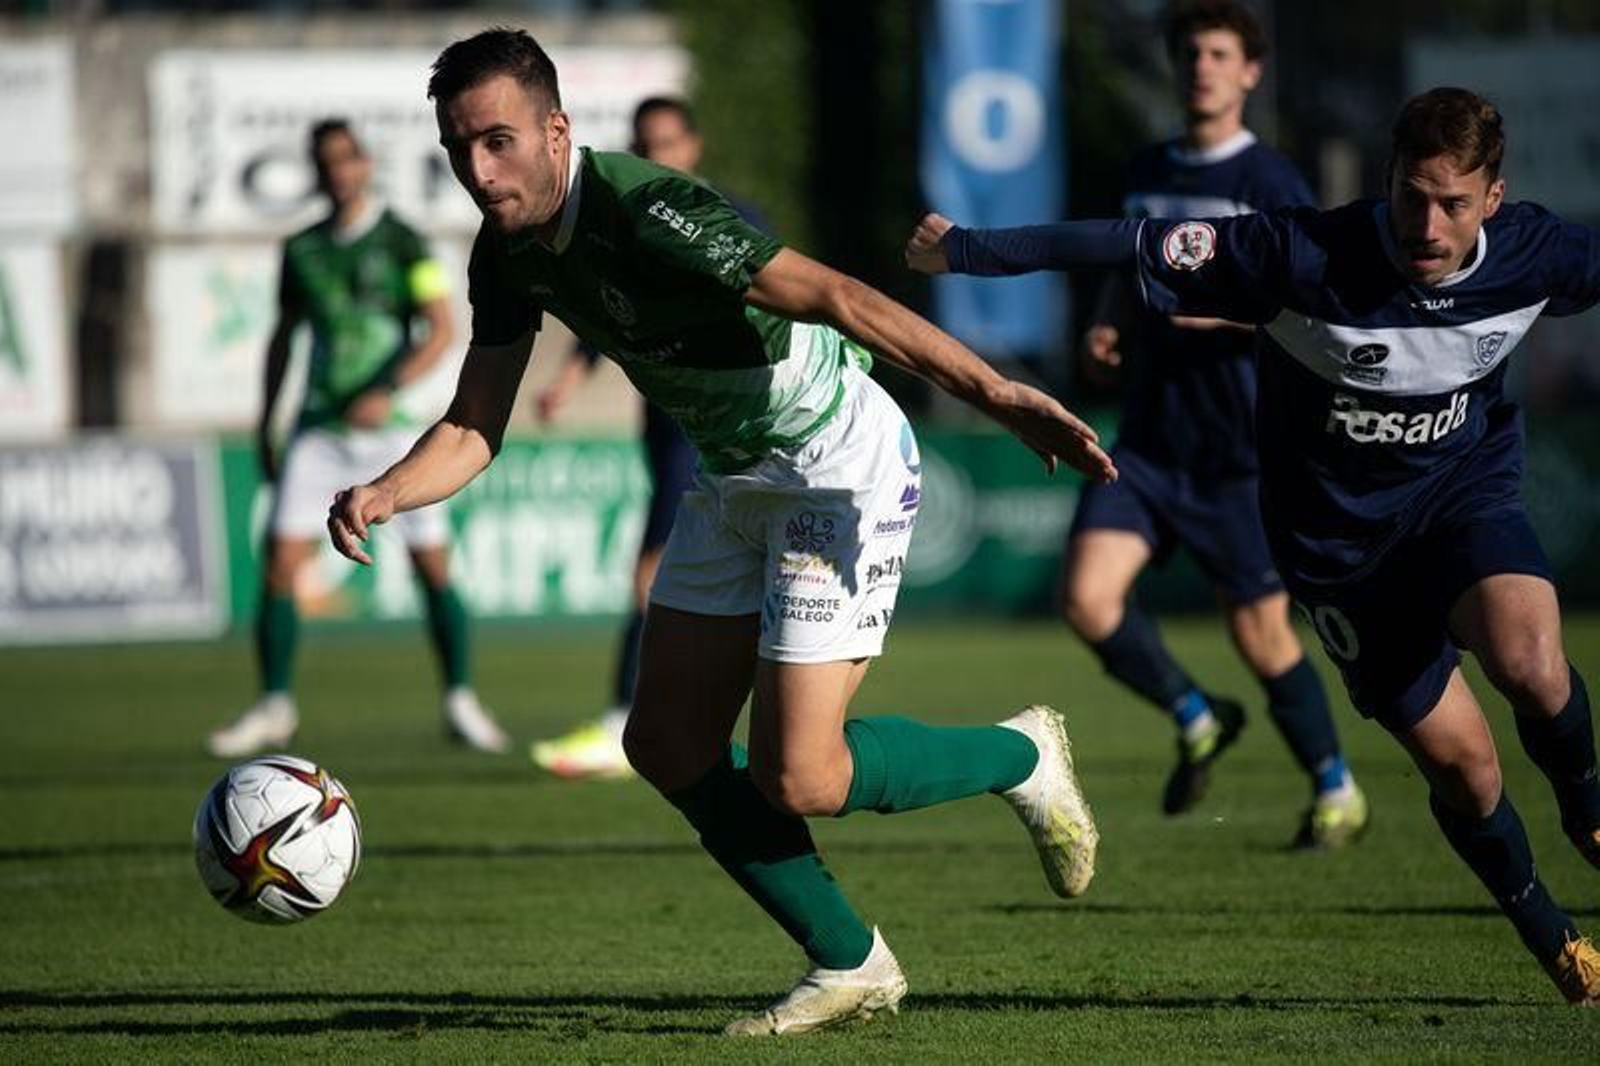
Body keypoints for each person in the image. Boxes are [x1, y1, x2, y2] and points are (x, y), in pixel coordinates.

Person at [328, 29, 1111, 1035]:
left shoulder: (652, 210)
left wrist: (997, 392)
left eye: (499, 141)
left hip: (837, 466)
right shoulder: (508, 256)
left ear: (556, 131)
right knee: (664, 740)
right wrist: (388, 491)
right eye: (458, 149)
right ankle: (851, 962)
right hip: (737, 475)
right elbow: (478, 423)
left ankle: (1020, 755)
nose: (479, 171)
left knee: (801, 775)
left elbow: (835, 294)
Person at [905, 87, 1600, 1004]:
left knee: (1531, 659)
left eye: (1454, 204)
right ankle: (1555, 939)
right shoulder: (1297, 252)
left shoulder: (1540, 254)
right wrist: (964, 250)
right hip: (1339, 550)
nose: (1428, 224)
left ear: (1495, 199)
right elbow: (1123, 241)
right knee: (1467, 770)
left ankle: (1588, 811)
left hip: (1460, 497)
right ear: (1388, 181)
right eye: (1411, 197)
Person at [1064, 0, 1366, 843]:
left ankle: (1337, 788)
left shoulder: (1270, 184)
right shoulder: (1149, 168)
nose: (1202, 65)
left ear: (1249, 72)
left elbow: (1318, 301)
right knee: (1087, 600)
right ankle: (1196, 714)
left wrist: (1231, 314)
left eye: (1219, 53)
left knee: (1261, 635)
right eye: (1190, 51)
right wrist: (1107, 325)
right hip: (1150, 444)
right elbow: (1124, 269)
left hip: (1239, 450)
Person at [208, 118, 510, 758]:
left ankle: (460, 699)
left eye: (347, 158)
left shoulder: (402, 240)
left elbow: (438, 329)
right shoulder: (303, 249)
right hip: (318, 431)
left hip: (393, 435)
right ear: (317, 172)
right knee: (279, 565)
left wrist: (387, 388)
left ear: (365, 164)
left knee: (432, 567)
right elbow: (283, 337)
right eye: (326, 161)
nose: (339, 171)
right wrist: (270, 421)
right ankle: (274, 705)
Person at [529, 96, 768, 781]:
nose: (657, 156)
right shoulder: (625, 224)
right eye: (645, 144)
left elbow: (786, 300)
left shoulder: (734, 220)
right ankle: (668, 716)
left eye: (667, 142)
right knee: (682, 573)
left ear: (693, 146)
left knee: (652, 573)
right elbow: (611, 309)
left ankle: (625, 719)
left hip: (717, 421)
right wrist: (570, 379)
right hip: (665, 423)